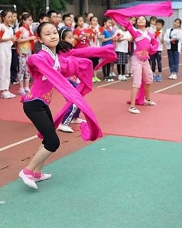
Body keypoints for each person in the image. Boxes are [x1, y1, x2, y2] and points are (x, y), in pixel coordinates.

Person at [18, 22, 114, 189]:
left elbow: (81, 52)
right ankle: (27, 171)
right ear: (40, 38)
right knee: (53, 142)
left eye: (54, 32)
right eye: (47, 34)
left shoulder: (57, 57)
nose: (53, 36)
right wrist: (34, 59)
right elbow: (36, 60)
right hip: (33, 104)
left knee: (47, 138)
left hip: (42, 103)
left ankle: (37, 173)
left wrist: (105, 52)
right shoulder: (42, 56)